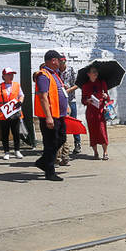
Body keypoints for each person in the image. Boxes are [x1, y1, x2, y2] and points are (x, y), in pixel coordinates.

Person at [33, 50, 67, 181]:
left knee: (61, 138)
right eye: (59, 60)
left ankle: (43, 162)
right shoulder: (43, 75)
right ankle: (50, 171)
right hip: (51, 116)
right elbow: (43, 97)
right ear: (53, 60)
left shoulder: (55, 75)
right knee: (51, 143)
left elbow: (60, 92)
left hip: (59, 115)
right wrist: (48, 117)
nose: (60, 62)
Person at [0, 68, 24, 160]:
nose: (11, 76)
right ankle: (6, 152)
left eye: (12, 74)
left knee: (16, 132)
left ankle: (17, 150)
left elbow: (21, 95)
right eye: (9, 74)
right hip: (4, 113)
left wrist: (20, 101)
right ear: (4, 76)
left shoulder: (17, 85)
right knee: (5, 133)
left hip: (15, 112)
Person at [80, 65, 110, 160]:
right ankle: (95, 152)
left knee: (102, 131)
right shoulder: (85, 86)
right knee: (93, 132)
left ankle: (105, 152)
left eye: (96, 71)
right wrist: (87, 101)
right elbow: (83, 100)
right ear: (88, 74)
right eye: (93, 72)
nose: (95, 73)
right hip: (91, 113)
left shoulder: (102, 83)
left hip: (100, 111)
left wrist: (106, 96)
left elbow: (108, 98)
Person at [58, 54, 81, 165]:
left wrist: (69, 90)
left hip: (71, 99)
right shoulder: (56, 72)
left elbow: (78, 84)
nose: (61, 64)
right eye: (60, 62)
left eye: (63, 62)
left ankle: (77, 143)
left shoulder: (71, 70)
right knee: (63, 124)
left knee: (73, 122)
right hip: (60, 100)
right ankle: (63, 149)